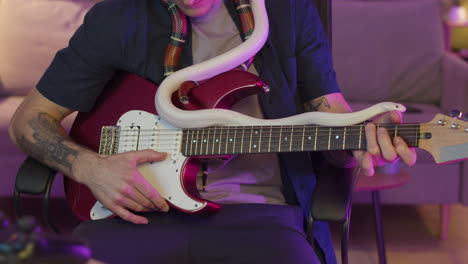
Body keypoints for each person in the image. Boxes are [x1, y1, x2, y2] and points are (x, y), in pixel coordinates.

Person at [8, 0, 417, 263]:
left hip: (262, 216)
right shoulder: (118, 17)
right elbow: (28, 120)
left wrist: (361, 139)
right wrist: (92, 168)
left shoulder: (288, 13)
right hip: (133, 216)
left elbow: (331, 115)